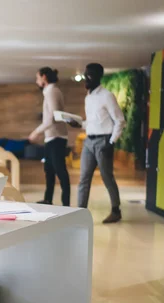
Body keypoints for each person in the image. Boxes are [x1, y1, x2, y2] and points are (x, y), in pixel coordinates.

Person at [67, 63, 125, 223]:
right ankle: (80, 214)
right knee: (83, 179)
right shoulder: (88, 97)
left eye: (90, 75)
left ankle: (116, 210)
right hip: (89, 141)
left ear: (98, 77)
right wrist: (78, 124)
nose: (86, 77)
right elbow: (92, 122)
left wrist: (111, 142)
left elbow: (120, 121)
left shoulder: (107, 96)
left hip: (104, 141)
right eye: (86, 74)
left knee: (107, 177)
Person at [28, 67, 71, 207]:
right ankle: (48, 199)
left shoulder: (52, 91)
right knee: (49, 169)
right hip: (51, 137)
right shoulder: (49, 91)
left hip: (57, 137)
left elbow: (52, 117)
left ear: (44, 77)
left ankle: (66, 204)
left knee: (60, 170)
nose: (36, 81)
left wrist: (36, 132)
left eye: (37, 78)